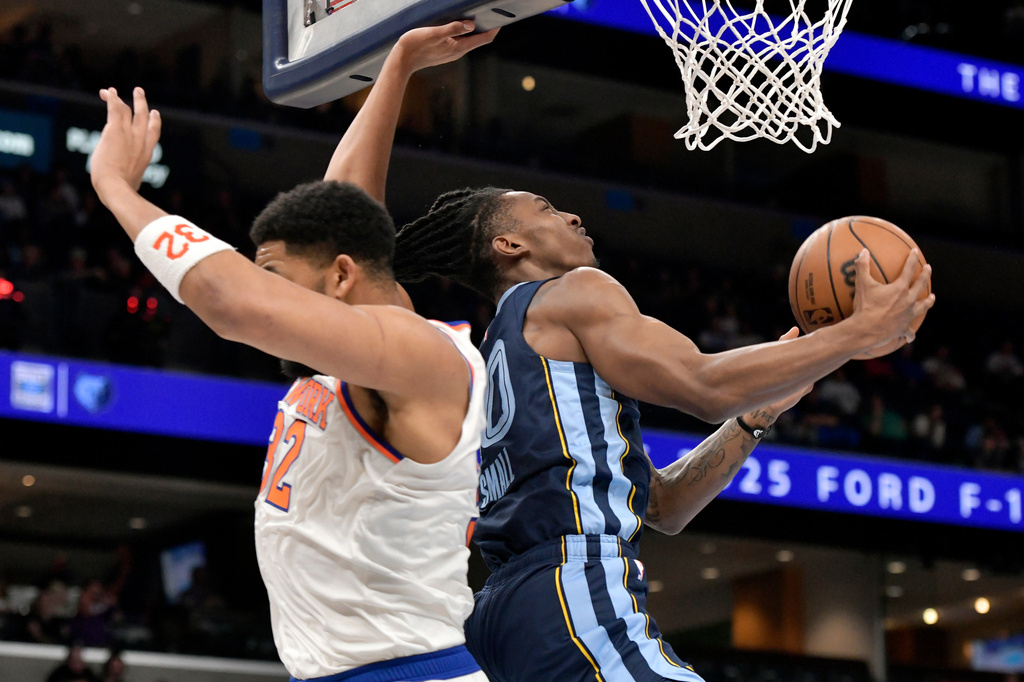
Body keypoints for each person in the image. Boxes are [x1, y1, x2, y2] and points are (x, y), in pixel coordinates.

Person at [325, 19, 933, 681]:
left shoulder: (491, 354)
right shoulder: (573, 293)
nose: (572, 215)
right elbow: (703, 385)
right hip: (571, 590)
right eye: (546, 208)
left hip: (504, 613)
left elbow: (662, 508)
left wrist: (754, 420)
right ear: (509, 245)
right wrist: (851, 337)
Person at [87, 22, 496, 680]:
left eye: (274, 276)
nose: (269, 296)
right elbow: (348, 207)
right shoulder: (368, 349)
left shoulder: (417, 354)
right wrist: (398, 67)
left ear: (339, 276)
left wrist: (117, 190)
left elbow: (231, 302)